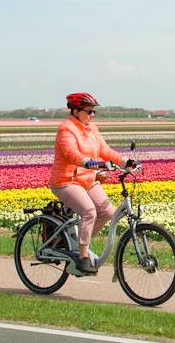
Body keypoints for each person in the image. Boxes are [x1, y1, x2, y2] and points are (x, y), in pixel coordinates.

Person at [49, 92, 133, 275]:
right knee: (89, 211)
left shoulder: (91, 128)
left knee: (107, 212)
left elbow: (104, 150)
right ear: (76, 111)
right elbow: (71, 153)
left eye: (94, 112)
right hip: (66, 181)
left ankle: (78, 241)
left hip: (87, 179)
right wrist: (87, 161)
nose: (92, 115)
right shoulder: (66, 128)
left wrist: (126, 161)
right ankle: (83, 256)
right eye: (89, 111)